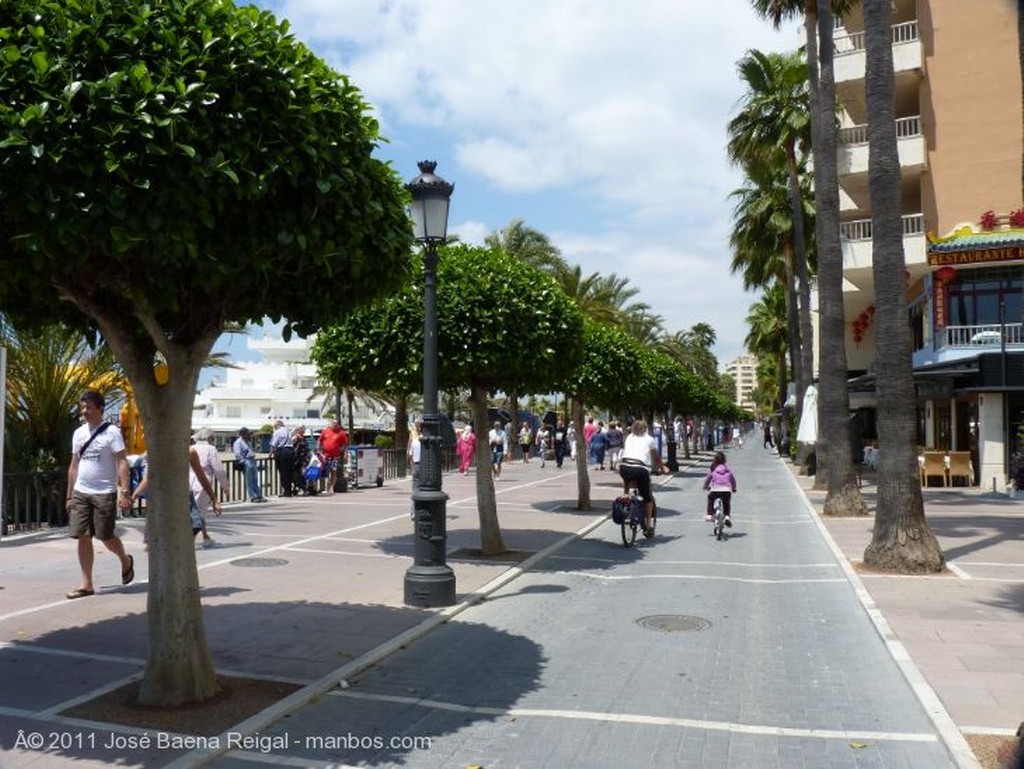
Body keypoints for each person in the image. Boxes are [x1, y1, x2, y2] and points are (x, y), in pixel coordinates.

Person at [65, 389, 135, 599]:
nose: (84, 411)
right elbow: (74, 466)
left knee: (105, 536)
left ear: (100, 409)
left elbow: (122, 461)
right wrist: (69, 495)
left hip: (104, 492)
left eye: (88, 407)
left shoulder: (111, 432)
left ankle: (125, 560)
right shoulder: (79, 433)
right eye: (82, 407)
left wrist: (125, 491)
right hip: (81, 491)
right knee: (83, 535)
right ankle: (86, 584)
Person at [132, 444, 223, 546]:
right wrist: (135, 494)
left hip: (184, 498)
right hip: (164, 500)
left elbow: (201, 476)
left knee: (192, 530)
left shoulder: (189, 452)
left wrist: (214, 499)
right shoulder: (156, 452)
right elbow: (148, 477)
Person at [618, 419, 670, 537]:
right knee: (647, 498)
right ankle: (648, 525)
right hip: (640, 468)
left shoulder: (629, 437)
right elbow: (656, 457)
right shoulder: (649, 439)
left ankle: (626, 496)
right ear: (645, 429)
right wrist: (662, 468)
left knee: (627, 478)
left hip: (624, 467)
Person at [190, 428, 228, 547]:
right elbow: (218, 469)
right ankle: (191, 538)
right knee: (200, 511)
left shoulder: (192, 448)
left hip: (188, 479)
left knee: (195, 510)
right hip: (203, 479)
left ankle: (205, 536)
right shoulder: (211, 449)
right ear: (209, 438)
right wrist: (225, 486)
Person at [703, 451, 738, 527]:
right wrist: (734, 488)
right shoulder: (728, 470)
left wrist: (705, 486)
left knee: (710, 498)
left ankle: (710, 514)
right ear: (724, 460)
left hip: (715, 489)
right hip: (726, 490)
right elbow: (733, 480)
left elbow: (707, 480)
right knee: (726, 503)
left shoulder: (713, 470)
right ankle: (727, 516)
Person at [233, 427, 265, 502]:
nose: (249, 435)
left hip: (252, 460)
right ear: (243, 434)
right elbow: (237, 454)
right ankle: (253, 497)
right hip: (247, 461)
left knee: (255, 480)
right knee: (249, 480)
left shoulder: (248, 442)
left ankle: (259, 495)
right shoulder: (238, 442)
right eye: (248, 434)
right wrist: (243, 461)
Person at [317, 418, 349, 493]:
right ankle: (322, 488)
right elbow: (319, 440)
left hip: (334, 456)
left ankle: (331, 488)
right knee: (322, 471)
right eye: (333, 423)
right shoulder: (326, 431)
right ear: (331, 424)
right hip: (324, 456)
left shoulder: (341, 433)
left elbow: (345, 445)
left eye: (336, 424)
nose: (335, 425)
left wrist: (345, 454)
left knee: (333, 471)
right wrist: (318, 449)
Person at [269, 419, 294, 497]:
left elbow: (273, 444)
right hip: (290, 451)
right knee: (289, 472)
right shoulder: (288, 431)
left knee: (283, 472)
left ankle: (286, 491)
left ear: (277, 425)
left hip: (282, 451)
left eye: (275, 426)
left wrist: (270, 454)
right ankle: (289, 491)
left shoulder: (277, 432)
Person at [407, 421, 423, 490]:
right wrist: (408, 451)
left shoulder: (422, 434)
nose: (418, 427)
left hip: (420, 456)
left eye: (419, 426)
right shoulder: (413, 433)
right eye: (417, 426)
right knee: (415, 471)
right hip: (414, 453)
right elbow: (410, 443)